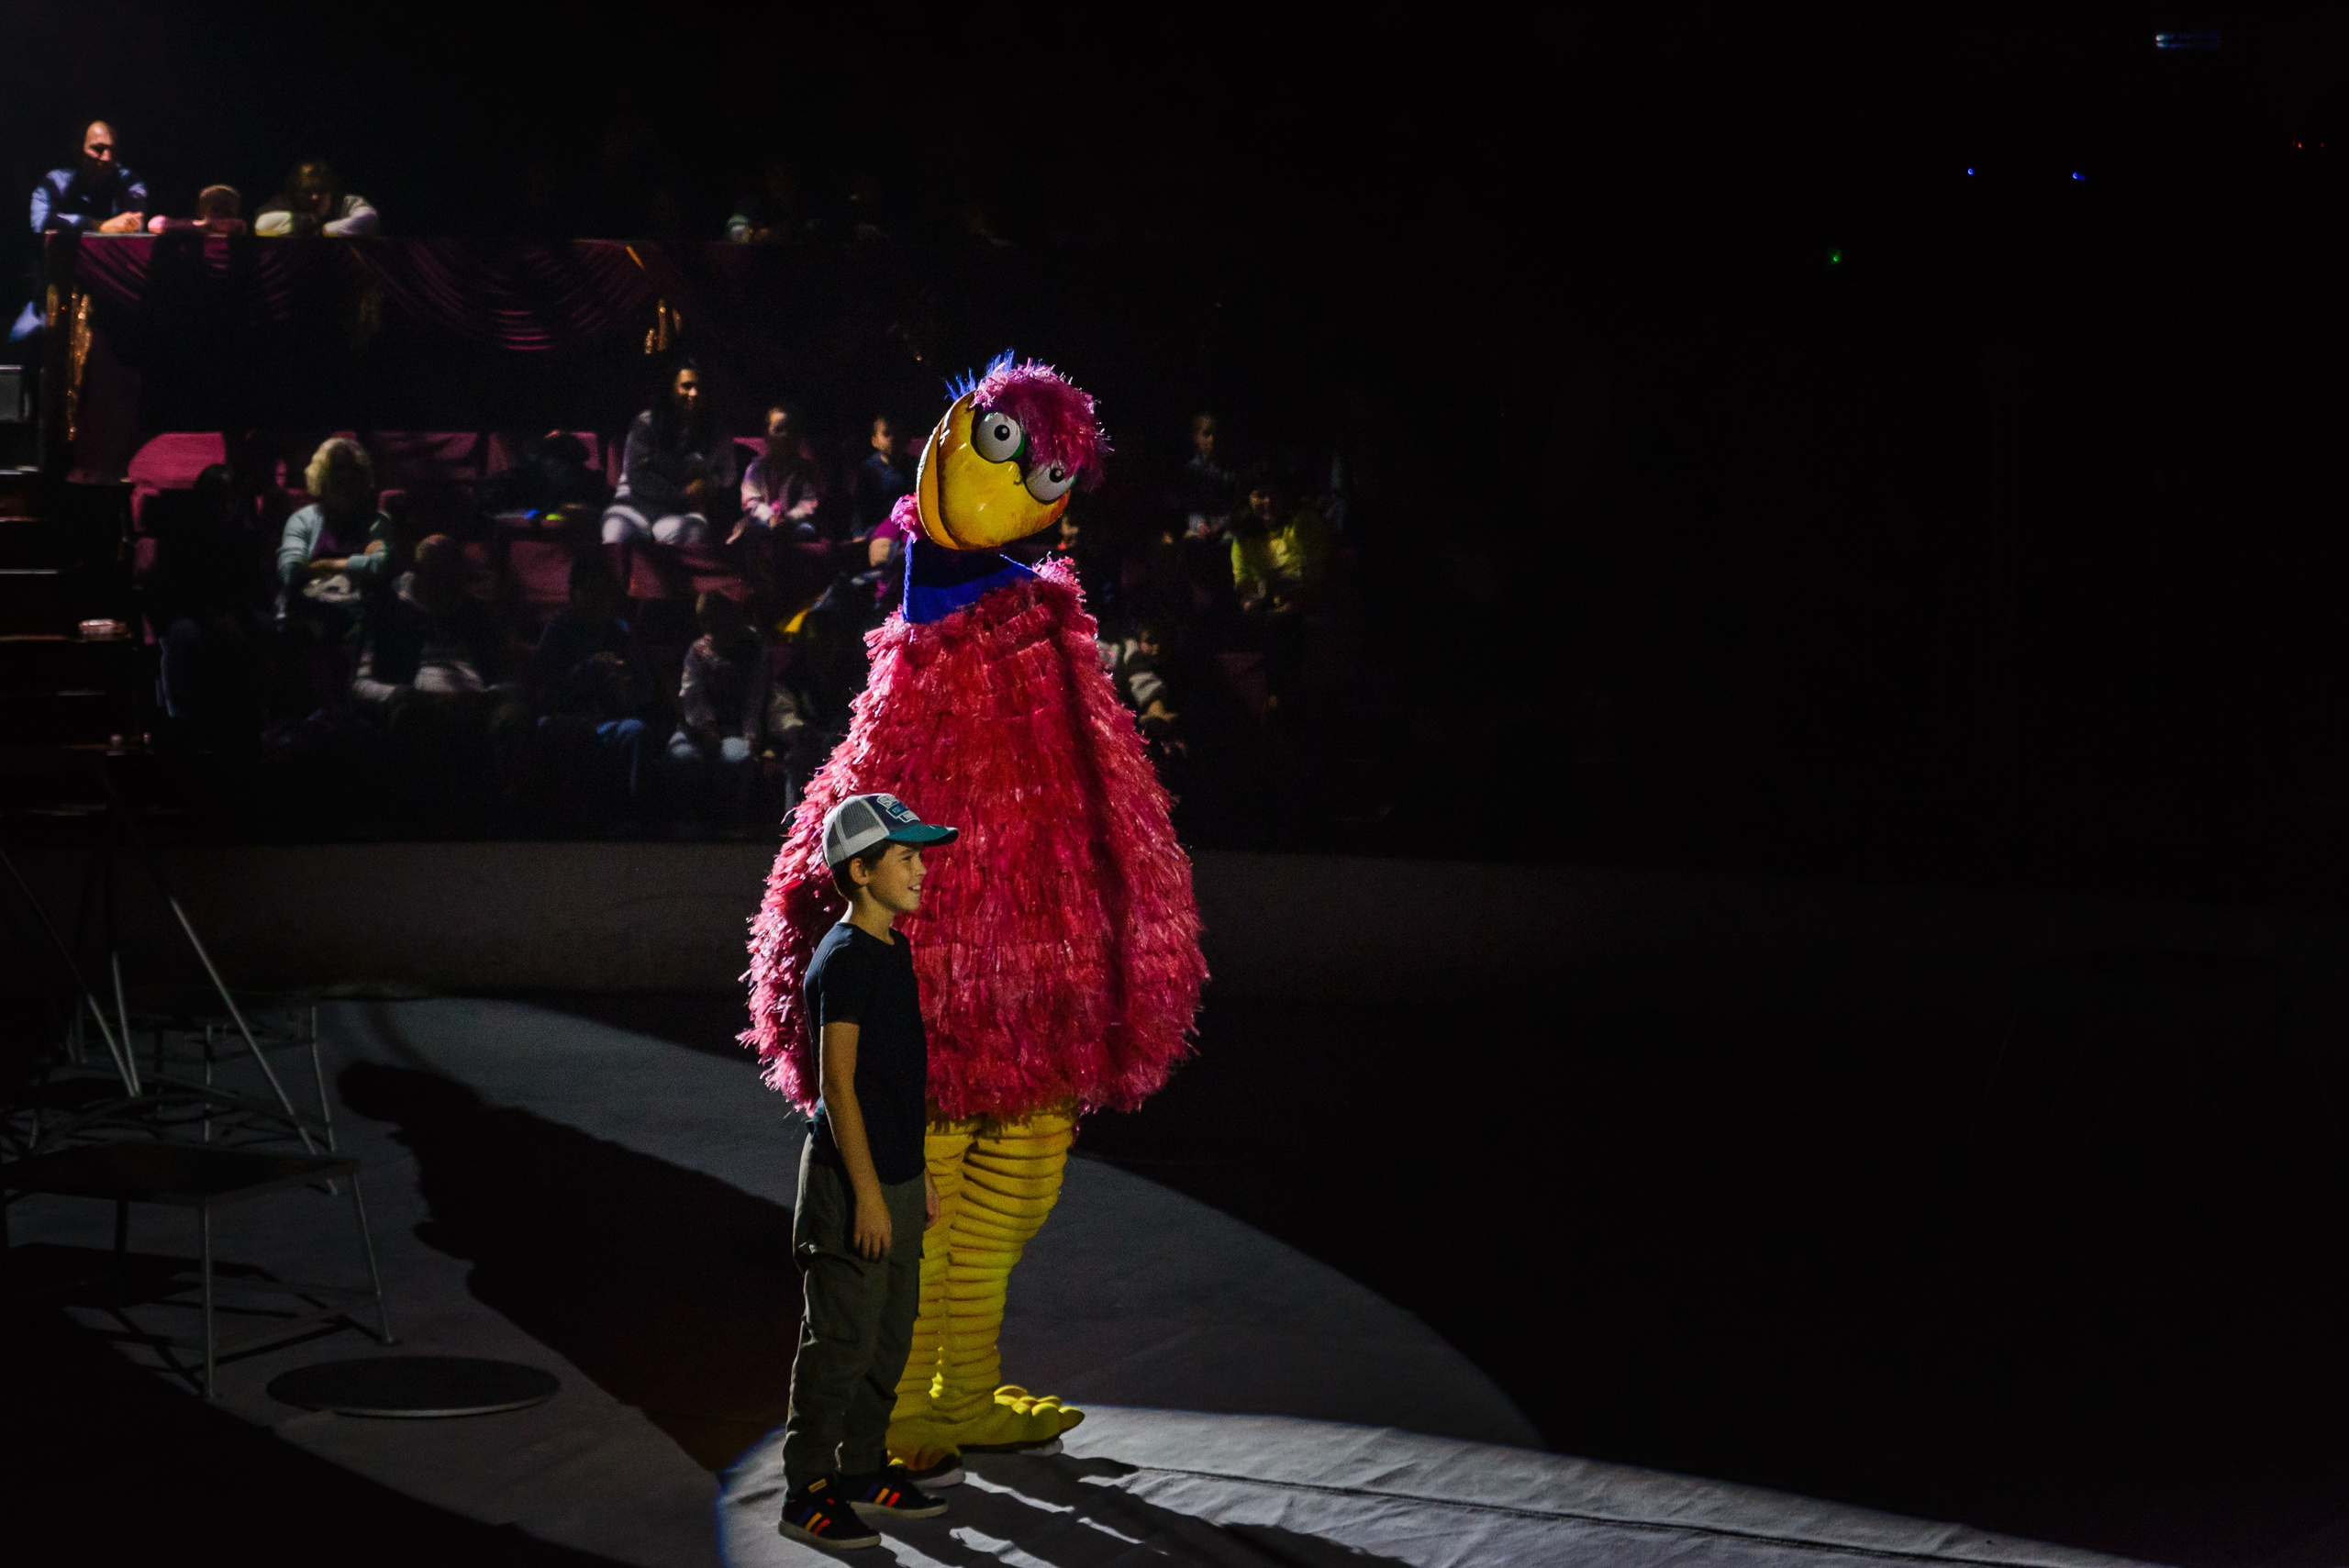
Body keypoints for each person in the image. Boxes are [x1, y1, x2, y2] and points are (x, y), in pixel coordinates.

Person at [776, 793, 957, 1550]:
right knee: (841, 1340)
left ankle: (859, 1466)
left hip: (898, 1177)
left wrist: (917, 1177)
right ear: (861, 869)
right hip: (852, 1183)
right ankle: (809, 1489)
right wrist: (870, 1196)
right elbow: (839, 1084)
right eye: (906, 856)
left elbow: (893, 1082)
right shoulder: (845, 959)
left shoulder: (893, 948)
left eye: (921, 854)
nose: (922, 869)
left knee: (888, 1336)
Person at [530, 552, 657, 810]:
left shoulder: (620, 632)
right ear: (574, 593)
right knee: (572, 733)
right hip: (565, 716)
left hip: (607, 719)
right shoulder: (558, 630)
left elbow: (643, 694)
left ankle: (632, 816)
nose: (597, 601)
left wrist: (625, 688)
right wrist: (587, 669)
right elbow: (544, 693)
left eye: (603, 592)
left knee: (636, 731)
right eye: (590, 591)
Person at [604, 361, 737, 545]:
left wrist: (707, 483)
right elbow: (637, 476)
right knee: (615, 534)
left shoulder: (716, 431)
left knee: (691, 533)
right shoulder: (646, 424)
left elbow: (728, 473)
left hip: (677, 513)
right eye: (687, 386)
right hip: (634, 505)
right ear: (671, 388)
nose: (694, 394)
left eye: (700, 388)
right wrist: (681, 494)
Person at [666, 590, 774, 806]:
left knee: (738, 758)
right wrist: (707, 727)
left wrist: (751, 739)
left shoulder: (755, 648)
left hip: (737, 728)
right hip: (697, 729)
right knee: (681, 756)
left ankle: (734, 822)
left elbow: (756, 698)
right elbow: (693, 693)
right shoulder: (697, 651)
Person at [276, 438, 390, 623]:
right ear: (321, 477)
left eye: (353, 470)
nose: (346, 478)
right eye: (337, 470)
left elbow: (382, 567)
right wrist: (360, 564)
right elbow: (290, 572)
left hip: (364, 616)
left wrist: (323, 565)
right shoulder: (302, 520)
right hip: (311, 616)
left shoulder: (378, 522)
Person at [31, 121, 149, 237]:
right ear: (78, 151)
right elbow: (39, 222)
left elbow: (136, 226)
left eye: (112, 150)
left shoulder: (129, 181)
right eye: (98, 149)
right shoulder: (55, 182)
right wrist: (97, 225)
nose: (107, 157)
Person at [735, 403, 825, 542]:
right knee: (757, 530)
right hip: (762, 520)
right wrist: (770, 517)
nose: (785, 436)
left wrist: (790, 519)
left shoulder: (804, 469)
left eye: (791, 431)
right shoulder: (756, 467)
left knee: (806, 531)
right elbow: (750, 500)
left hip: (795, 522)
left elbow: (809, 501)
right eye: (779, 430)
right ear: (766, 435)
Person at [254, 160, 380, 237]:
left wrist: (324, 230)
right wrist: (311, 219)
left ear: (331, 190)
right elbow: (262, 224)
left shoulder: (344, 201)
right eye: (307, 191)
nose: (314, 197)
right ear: (297, 191)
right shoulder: (288, 201)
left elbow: (369, 219)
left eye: (321, 190)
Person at [851, 417, 914, 539]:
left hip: (910, 523)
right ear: (874, 441)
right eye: (886, 434)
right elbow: (860, 505)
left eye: (897, 433)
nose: (892, 438)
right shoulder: (869, 469)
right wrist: (858, 534)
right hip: (880, 526)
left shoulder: (915, 465)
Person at [728, 161, 819, 244]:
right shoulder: (752, 203)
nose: (782, 181)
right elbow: (734, 232)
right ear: (767, 179)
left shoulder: (808, 205)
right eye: (776, 175)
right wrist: (762, 235)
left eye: (789, 175)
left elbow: (820, 231)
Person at [1177, 412, 1235, 539]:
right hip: (1203, 530)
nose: (1212, 439)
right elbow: (1190, 507)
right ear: (1196, 438)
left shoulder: (1230, 470)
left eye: (1215, 434)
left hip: (1228, 529)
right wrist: (1199, 524)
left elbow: (1236, 506)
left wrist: (1222, 524)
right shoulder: (1192, 470)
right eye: (1206, 434)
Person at [147, 184, 245, 235]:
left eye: (228, 213)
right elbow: (154, 224)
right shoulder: (193, 224)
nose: (221, 215)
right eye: (215, 209)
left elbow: (240, 225)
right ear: (200, 211)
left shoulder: (236, 226)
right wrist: (196, 226)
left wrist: (208, 225)